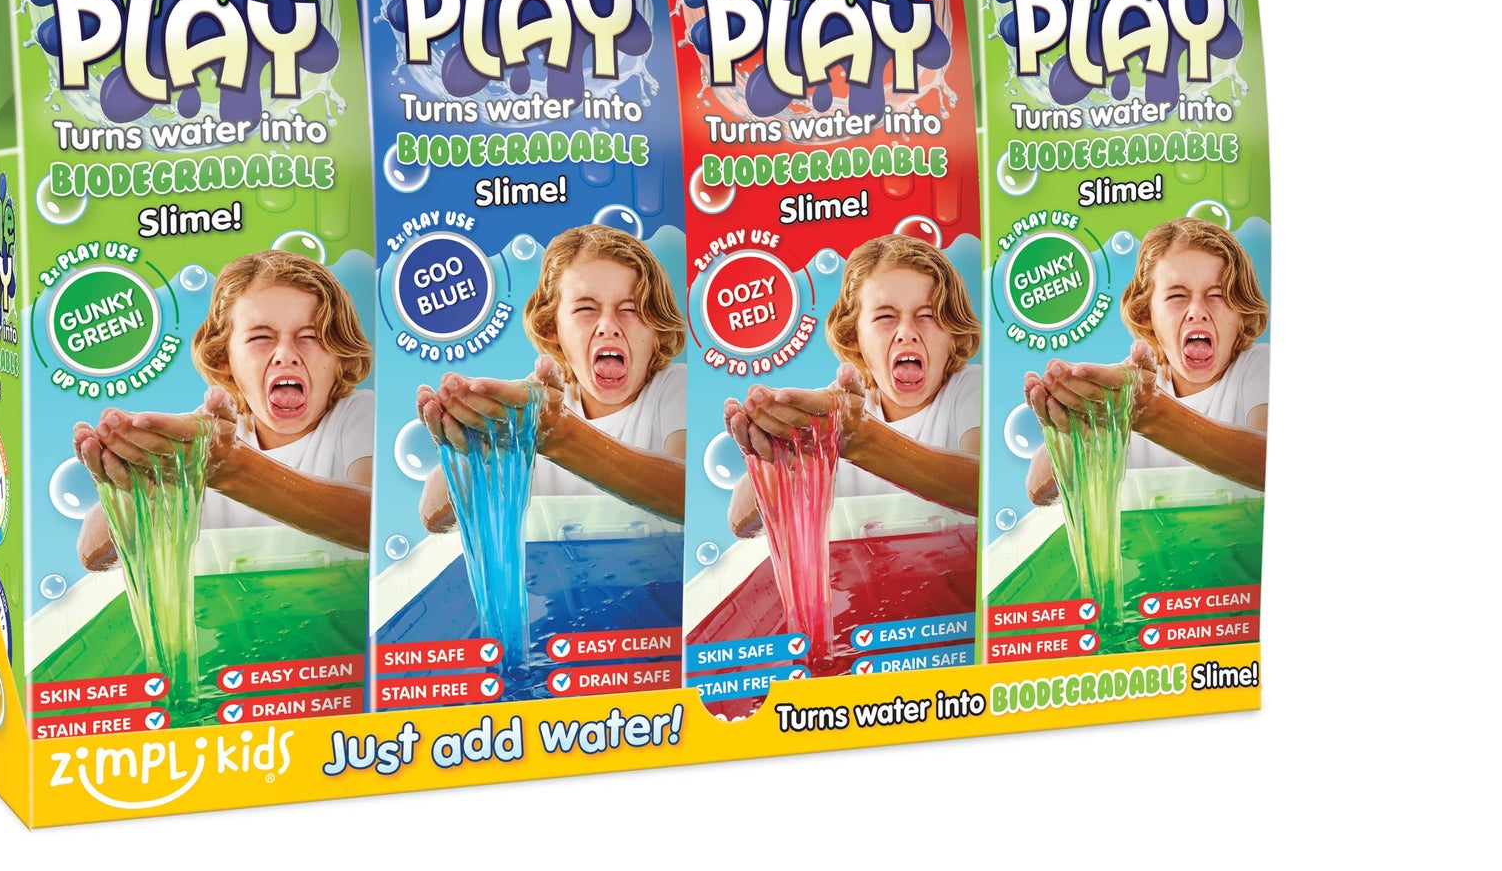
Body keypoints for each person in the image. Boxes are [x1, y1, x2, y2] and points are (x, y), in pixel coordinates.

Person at [73, 251, 373, 561]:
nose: (286, 354)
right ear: (223, 359)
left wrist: (232, 467)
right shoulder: (202, 444)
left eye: (310, 336)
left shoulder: (357, 416)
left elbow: (373, 520)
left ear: (342, 356)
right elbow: (91, 555)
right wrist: (140, 490)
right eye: (261, 337)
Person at [416, 224, 687, 530]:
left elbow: (685, 495)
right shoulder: (532, 412)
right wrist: (477, 456)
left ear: (657, 328)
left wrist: (560, 433)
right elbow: (432, 517)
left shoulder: (673, 389)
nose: (608, 326)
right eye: (586, 309)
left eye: (631, 309)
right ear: (552, 329)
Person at [725, 234, 982, 532]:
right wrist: (780, 462)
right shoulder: (832, 417)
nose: (906, 332)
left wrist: (860, 437)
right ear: (853, 337)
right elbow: (739, 523)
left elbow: (981, 485)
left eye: (927, 315)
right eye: (885, 317)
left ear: (954, 332)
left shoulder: (969, 390)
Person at [1023, 216, 1268, 502]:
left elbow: (1270, 463)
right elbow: (1037, 491)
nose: (1197, 311)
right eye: (1177, 296)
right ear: (1146, 315)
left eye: (1217, 295)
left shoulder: (1257, 368)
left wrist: (1152, 412)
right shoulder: (1125, 393)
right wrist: (1078, 433)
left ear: (1243, 313)